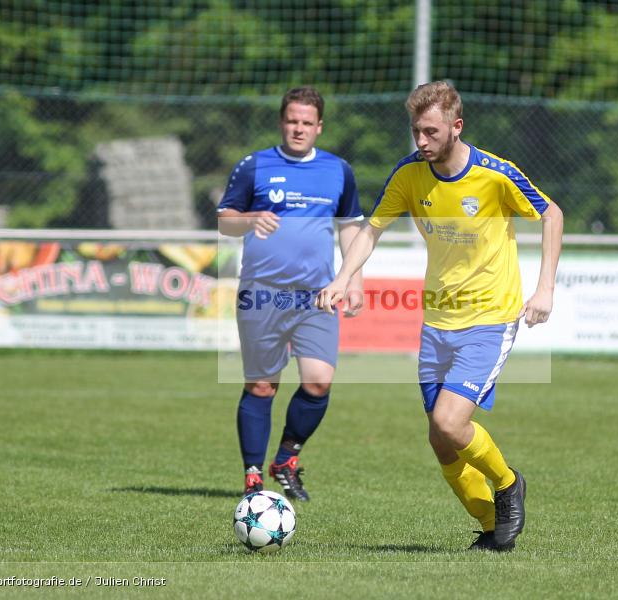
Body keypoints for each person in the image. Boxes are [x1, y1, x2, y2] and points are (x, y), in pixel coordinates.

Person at [317, 81, 563, 551]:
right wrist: (343, 277)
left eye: (431, 132)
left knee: (450, 422)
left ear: (457, 126)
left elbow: (551, 213)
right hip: (437, 322)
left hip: (491, 317)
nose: (422, 142)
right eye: (417, 132)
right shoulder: (409, 174)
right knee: (441, 439)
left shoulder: (493, 174)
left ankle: (509, 484)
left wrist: (545, 287)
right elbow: (372, 230)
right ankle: (493, 527)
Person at [218, 86, 364, 501]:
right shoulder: (254, 166)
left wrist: (354, 279)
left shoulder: (338, 171)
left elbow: (350, 226)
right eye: (292, 121)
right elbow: (225, 219)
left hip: (316, 296)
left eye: (306, 122)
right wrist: (248, 218)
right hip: (262, 293)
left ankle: (285, 459)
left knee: (318, 383)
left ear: (319, 127)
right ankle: (252, 475)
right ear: (282, 122)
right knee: (262, 386)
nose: (298, 128)